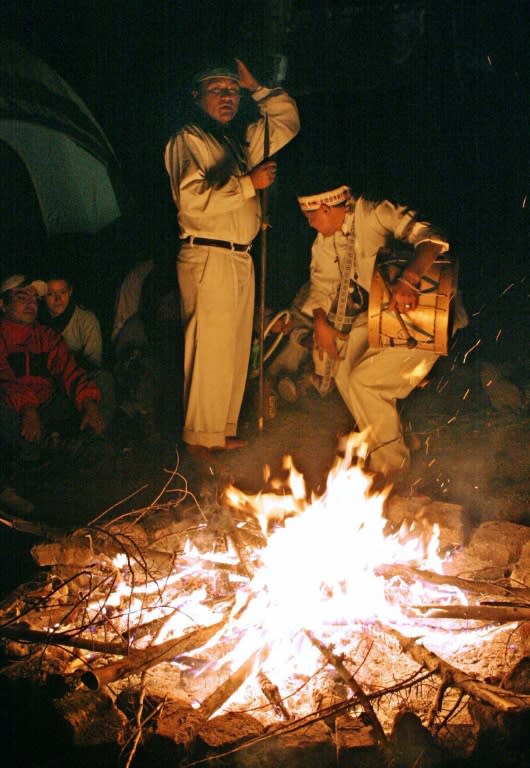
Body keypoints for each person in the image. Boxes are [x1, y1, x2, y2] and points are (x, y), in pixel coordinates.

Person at [295, 170, 467, 483]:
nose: (309, 223)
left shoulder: (375, 212)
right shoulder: (327, 239)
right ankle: (383, 449)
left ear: (326, 208)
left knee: (365, 383)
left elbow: (432, 237)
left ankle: (393, 470)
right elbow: (321, 283)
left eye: (310, 217)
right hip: (381, 314)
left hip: (423, 317)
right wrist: (321, 323)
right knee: (342, 365)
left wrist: (410, 278)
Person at [164, 58, 299, 455]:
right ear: (196, 96)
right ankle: (198, 442)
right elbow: (192, 201)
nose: (228, 98)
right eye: (218, 90)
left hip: (240, 255)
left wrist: (257, 86)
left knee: (235, 349)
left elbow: (286, 122)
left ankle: (219, 430)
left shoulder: (234, 143)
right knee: (210, 348)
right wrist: (248, 184)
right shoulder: (187, 140)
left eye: (233, 91)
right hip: (208, 253)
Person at [0, 275, 108, 501]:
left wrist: (89, 404)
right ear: (3, 304)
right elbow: (5, 379)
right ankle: (44, 453)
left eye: (34, 299)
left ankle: (75, 445)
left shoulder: (46, 336)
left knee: (102, 380)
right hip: (16, 413)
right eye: (22, 297)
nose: (31, 304)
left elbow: (69, 370)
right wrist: (28, 410)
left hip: (46, 409)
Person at [40, 273, 116, 426]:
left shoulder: (86, 320)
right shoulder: (37, 322)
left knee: (103, 380)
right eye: (51, 294)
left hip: (78, 383)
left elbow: (93, 364)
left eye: (62, 292)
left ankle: (96, 432)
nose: (58, 299)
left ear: (70, 292)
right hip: (48, 389)